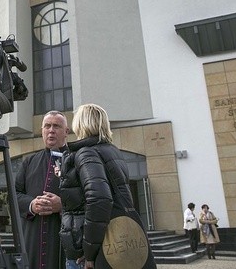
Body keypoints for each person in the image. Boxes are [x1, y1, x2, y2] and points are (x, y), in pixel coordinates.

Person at [59, 104, 156, 269]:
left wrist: (89, 254)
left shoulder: (86, 152)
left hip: (93, 249)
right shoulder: (112, 151)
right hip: (118, 234)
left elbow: (99, 199)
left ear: (81, 124)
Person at [14, 110, 70, 269]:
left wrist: (62, 204)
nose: (51, 130)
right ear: (42, 131)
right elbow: (14, 195)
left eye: (57, 126)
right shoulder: (29, 162)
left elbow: (90, 198)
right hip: (33, 238)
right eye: (47, 126)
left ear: (66, 132)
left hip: (64, 238)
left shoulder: (78, 160)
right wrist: (32, 204)